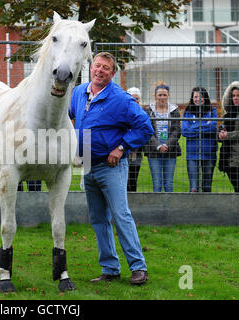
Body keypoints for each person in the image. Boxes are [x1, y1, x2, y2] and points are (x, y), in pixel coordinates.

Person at [69, 52, 154, 285]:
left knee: (121, 215)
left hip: (111, 167)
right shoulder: (78, 92)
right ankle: (110, 268)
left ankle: (138, 268)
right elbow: (67, 118)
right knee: (98, 219)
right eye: (96, 66)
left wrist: (121, 147)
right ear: (90, 68)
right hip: (88, 166)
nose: (99, 70)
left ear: (113, 73)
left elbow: (145, 127)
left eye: (105, 68)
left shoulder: (121, 99)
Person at [144, 81, 182, 192]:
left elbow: (177, 130)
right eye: (160, 95)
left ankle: (169, 208)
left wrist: (166, 145)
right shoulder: (148, 111)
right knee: (157, 183)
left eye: (164, 95)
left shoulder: (174, 110)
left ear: (168, 96)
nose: (162, 97)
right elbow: (147, 131)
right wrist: (158, 146)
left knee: (169, 183)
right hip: (153, 149)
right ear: (155, 96)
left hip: (170, 149)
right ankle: (158, 208)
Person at [181, 87, 217, 192]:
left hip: (209, 153)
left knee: (207, 186)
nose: (198, 99)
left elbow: (213, 128)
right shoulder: (187, 112)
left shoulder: (212, 111)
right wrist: (204, 125)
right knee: (193, 187)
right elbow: (185, 131)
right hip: (192, 154)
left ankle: (206, 207)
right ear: (192, 98)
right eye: (195, 96)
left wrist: (194, 127)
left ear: (205, 98)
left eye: (201, 96)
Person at [126, 87, 145, 192]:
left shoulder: (142, 113)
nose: (135, 101)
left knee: (133, 179)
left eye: (137, 98)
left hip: (137, 153)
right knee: (123, 179)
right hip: (123, 151)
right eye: (132, 98)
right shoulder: (123, 112)